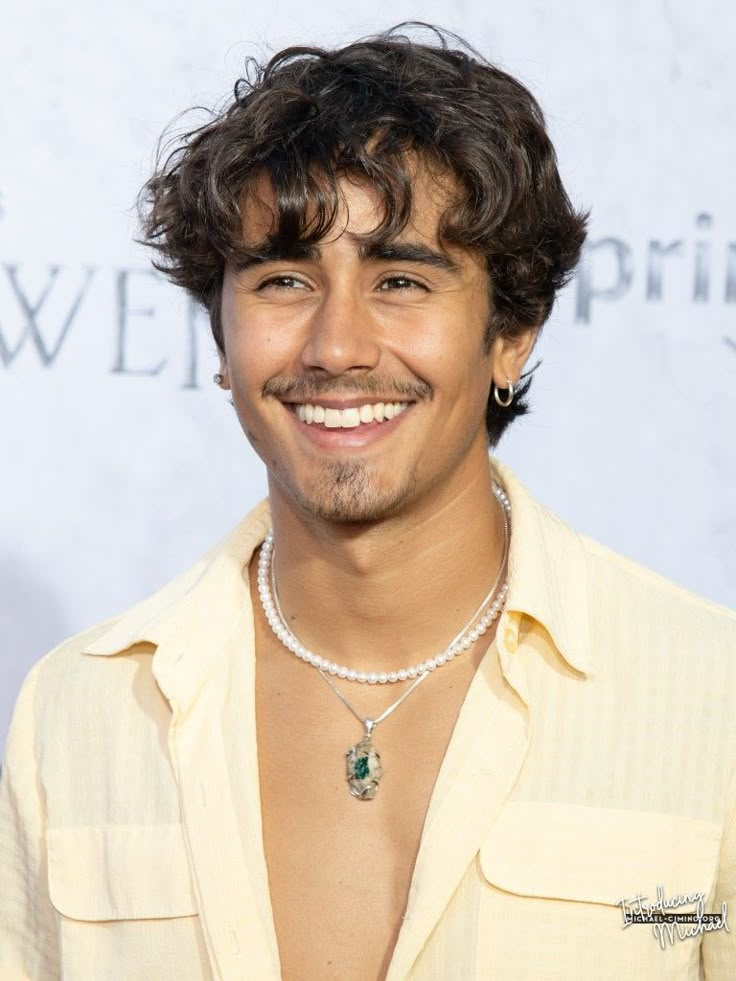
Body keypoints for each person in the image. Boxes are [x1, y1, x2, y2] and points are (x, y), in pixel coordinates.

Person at [1, 21, 734, 981]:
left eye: (399, 279)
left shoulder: (709, 698)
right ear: (221, 343)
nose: (337, 346)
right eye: (283, 281)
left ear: (511, 334)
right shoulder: (84, 708)